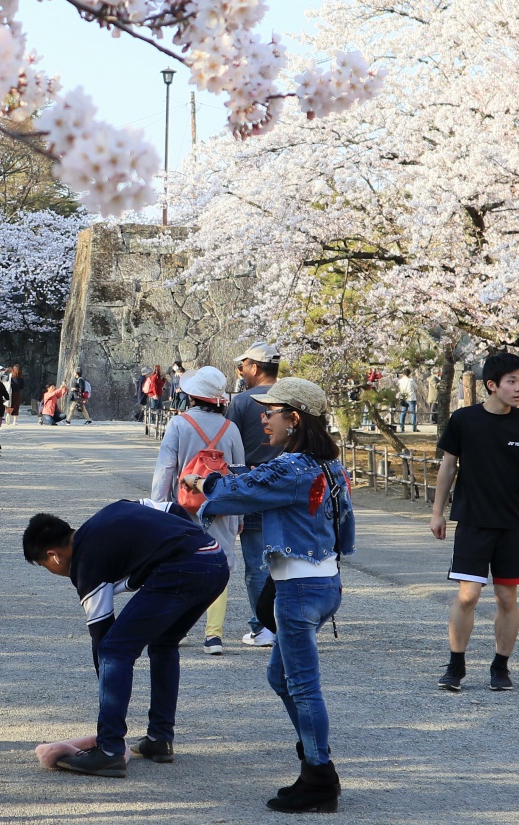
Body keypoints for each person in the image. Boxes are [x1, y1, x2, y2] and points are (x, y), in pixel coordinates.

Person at [193, 376, 354, 813]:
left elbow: (234, 491)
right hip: (322, 581)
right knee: (281, 678)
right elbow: (344, 529)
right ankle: (316, 767)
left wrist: (203, 482)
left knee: (302, 685)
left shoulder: (292, 467)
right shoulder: (327, 466)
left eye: (272, 411)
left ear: (295, 418)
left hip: (299, 588)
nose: (264, 417)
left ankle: (319, 776)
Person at [24, 500, 229, 777]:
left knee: (113, 650)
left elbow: (103, 639)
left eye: (43, 564)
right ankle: (159, 739)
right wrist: (185, 539)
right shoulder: (112, 512)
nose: (51, 570)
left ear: (54, 555)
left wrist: (110, 687)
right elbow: (172, 508)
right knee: (164, 643)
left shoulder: (86, 562)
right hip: (214, 559)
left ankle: (108, 750)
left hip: (183, 568)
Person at [429, 351, 519, 693]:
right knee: (467, 596)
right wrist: (438, 512)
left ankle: (501, 667)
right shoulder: (464, 420)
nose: (518, 388)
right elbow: (448, 467)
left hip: (511, 524)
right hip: (473, 521)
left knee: (507, 598)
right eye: (512, 381)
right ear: (492, 385)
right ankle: (456, 665)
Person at [151, 366, 246, 654]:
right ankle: (213, 636)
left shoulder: (179, 425)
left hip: (184, 505)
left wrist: (158, 506)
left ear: (192, 396)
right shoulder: (231, 429)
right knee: (221, 564)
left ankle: (178, 627)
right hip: (222, 506)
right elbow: (240, 474)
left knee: (183, 563)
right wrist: (240, 515)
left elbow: (166, 467)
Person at [227, 341, 282, 646]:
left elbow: (229, 447)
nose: (241, 371)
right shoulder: (291, 397)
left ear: (255, 368)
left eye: (243, 366)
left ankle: (262, 626)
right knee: (289, 558)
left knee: (257, 563)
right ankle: (288, 622)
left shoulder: (242, 402)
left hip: (253, 484)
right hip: (290, 486)